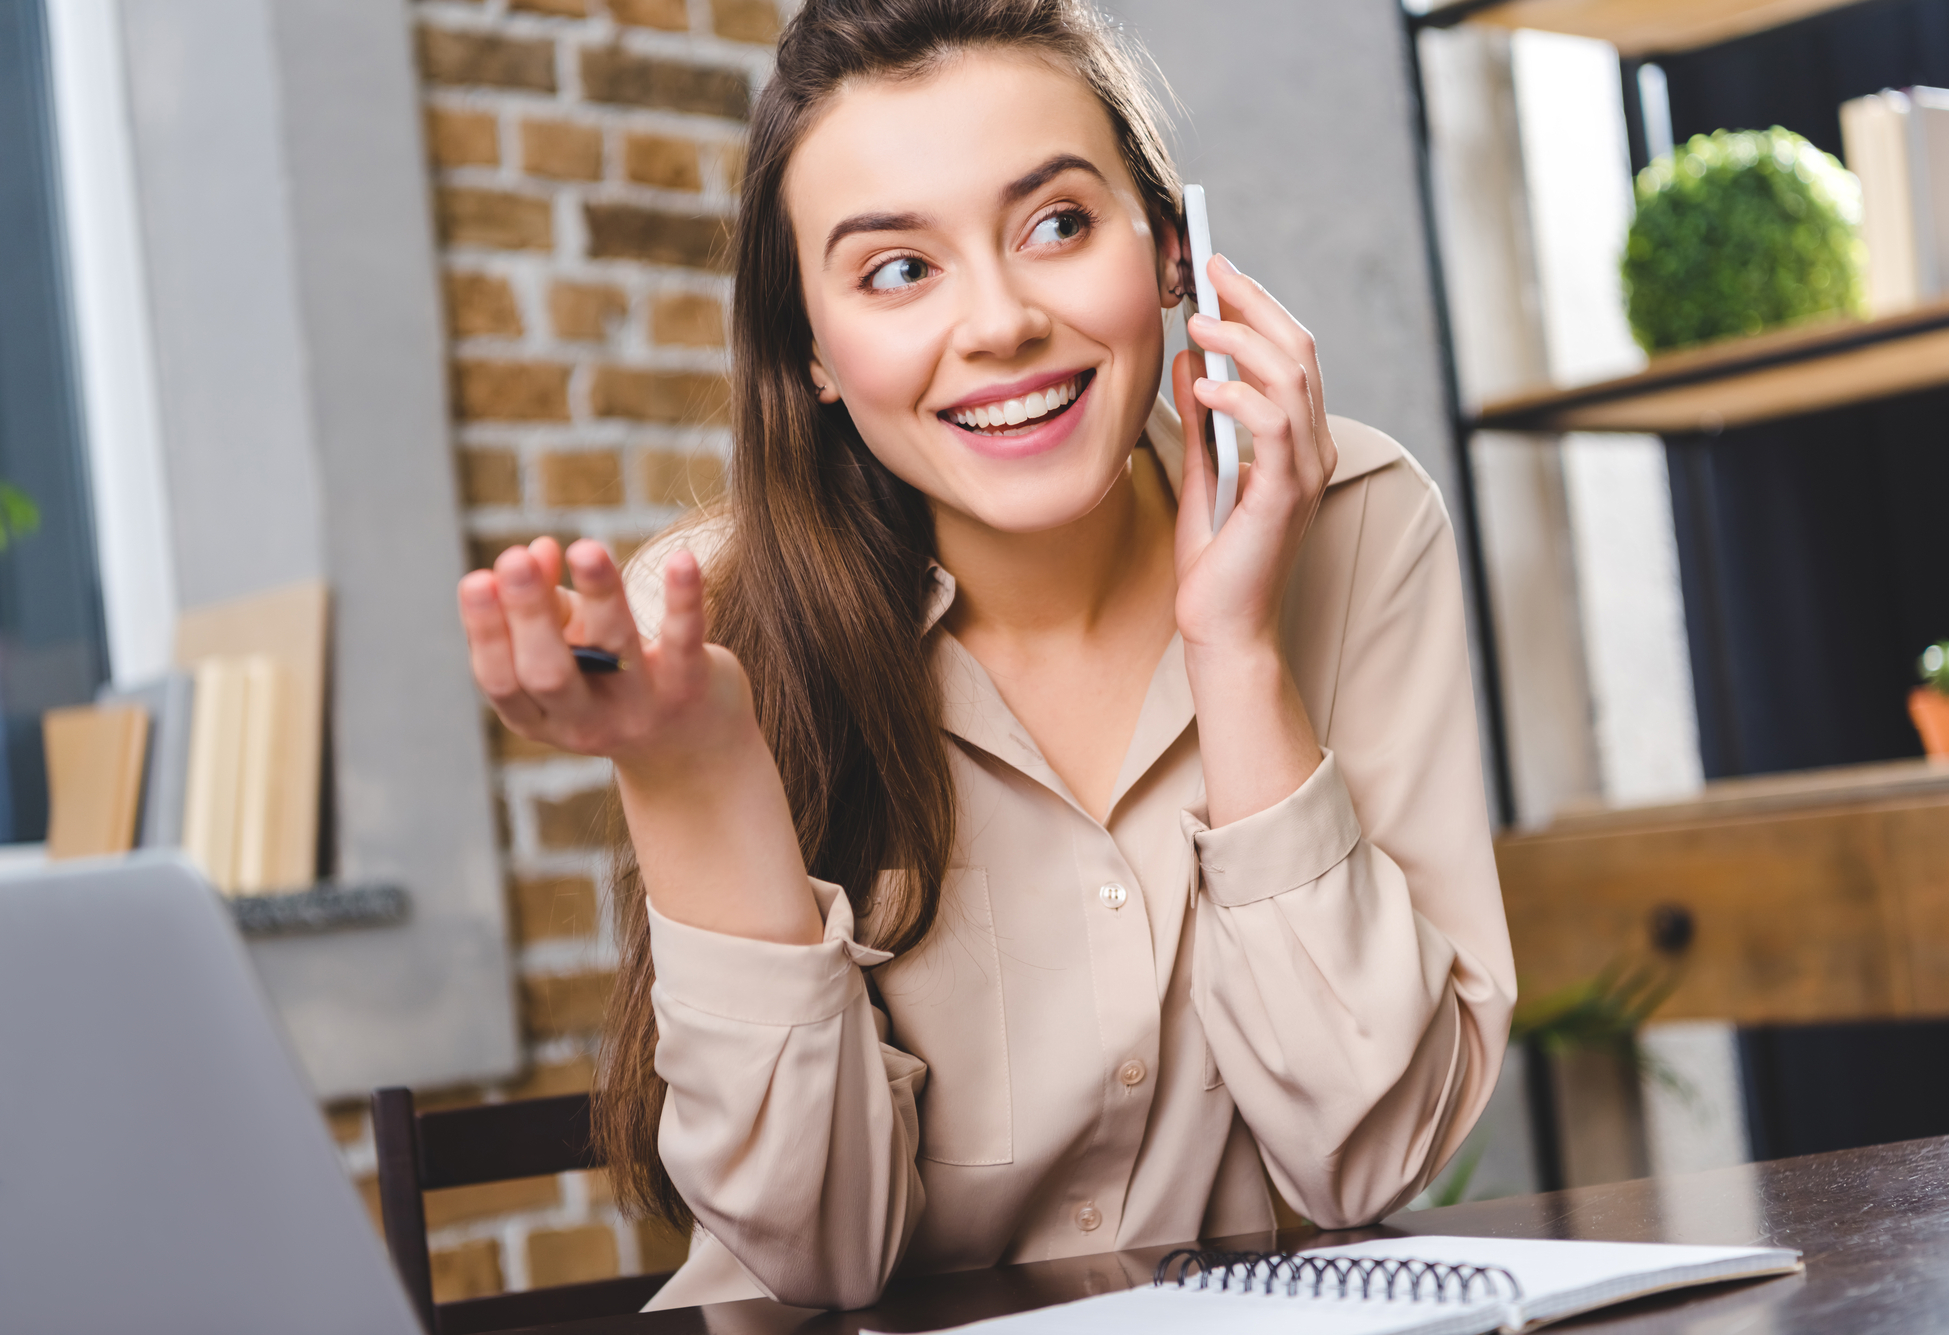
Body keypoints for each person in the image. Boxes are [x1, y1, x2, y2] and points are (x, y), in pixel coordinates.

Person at [457, 0, 1514, 1312]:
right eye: (898, 270)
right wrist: (695, 777)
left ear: (1175, 252)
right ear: (815, 356)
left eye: (1058, 223)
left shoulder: (1352, 522)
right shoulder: (714, 631)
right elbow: (816, 1262)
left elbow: (1374, 1155)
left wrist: (1236, 645)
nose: (1002, 320)